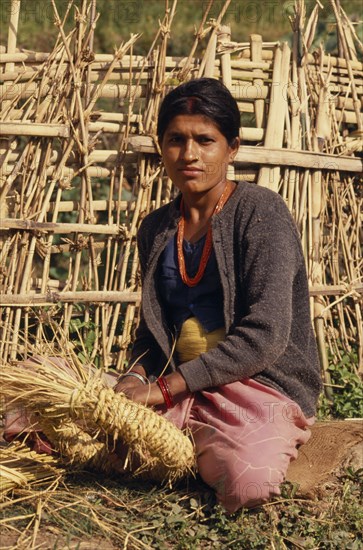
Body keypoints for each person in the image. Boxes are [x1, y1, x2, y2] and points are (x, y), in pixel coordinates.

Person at [113, 77, 322, 513]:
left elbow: (264, 336)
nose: (189, 154)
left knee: (248, 484)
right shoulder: (155, 229)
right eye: (175, 140)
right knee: (44, 404)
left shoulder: (260, 213)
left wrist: (165, 391)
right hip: (181, 388)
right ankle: (186, 439)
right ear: (161, 146)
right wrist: (133, 380)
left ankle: (189, 440)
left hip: (255, 388)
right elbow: (152, 337)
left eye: (205, 140)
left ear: (232, 147)